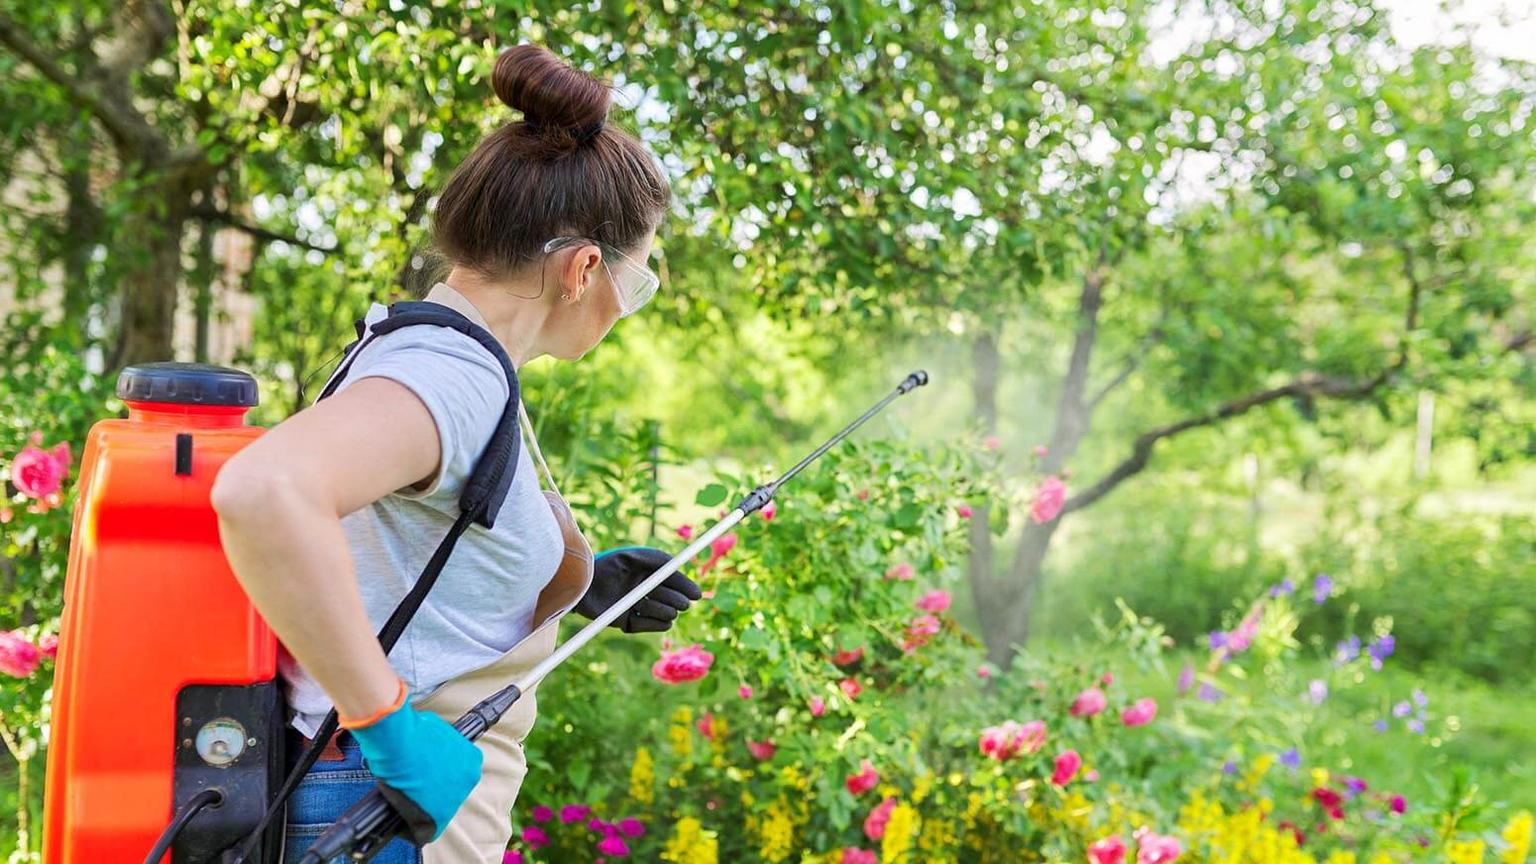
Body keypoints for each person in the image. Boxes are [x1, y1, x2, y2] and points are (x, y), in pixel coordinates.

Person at [211, 43, 695, 863]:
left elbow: (392, 560)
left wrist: (573, 586)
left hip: (367, 803)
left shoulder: (433, 352)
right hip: (370, 808)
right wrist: (388, 727)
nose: (627, 310)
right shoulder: (455, 376)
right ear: (583, 270)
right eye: (636, 284)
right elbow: (264, 489)